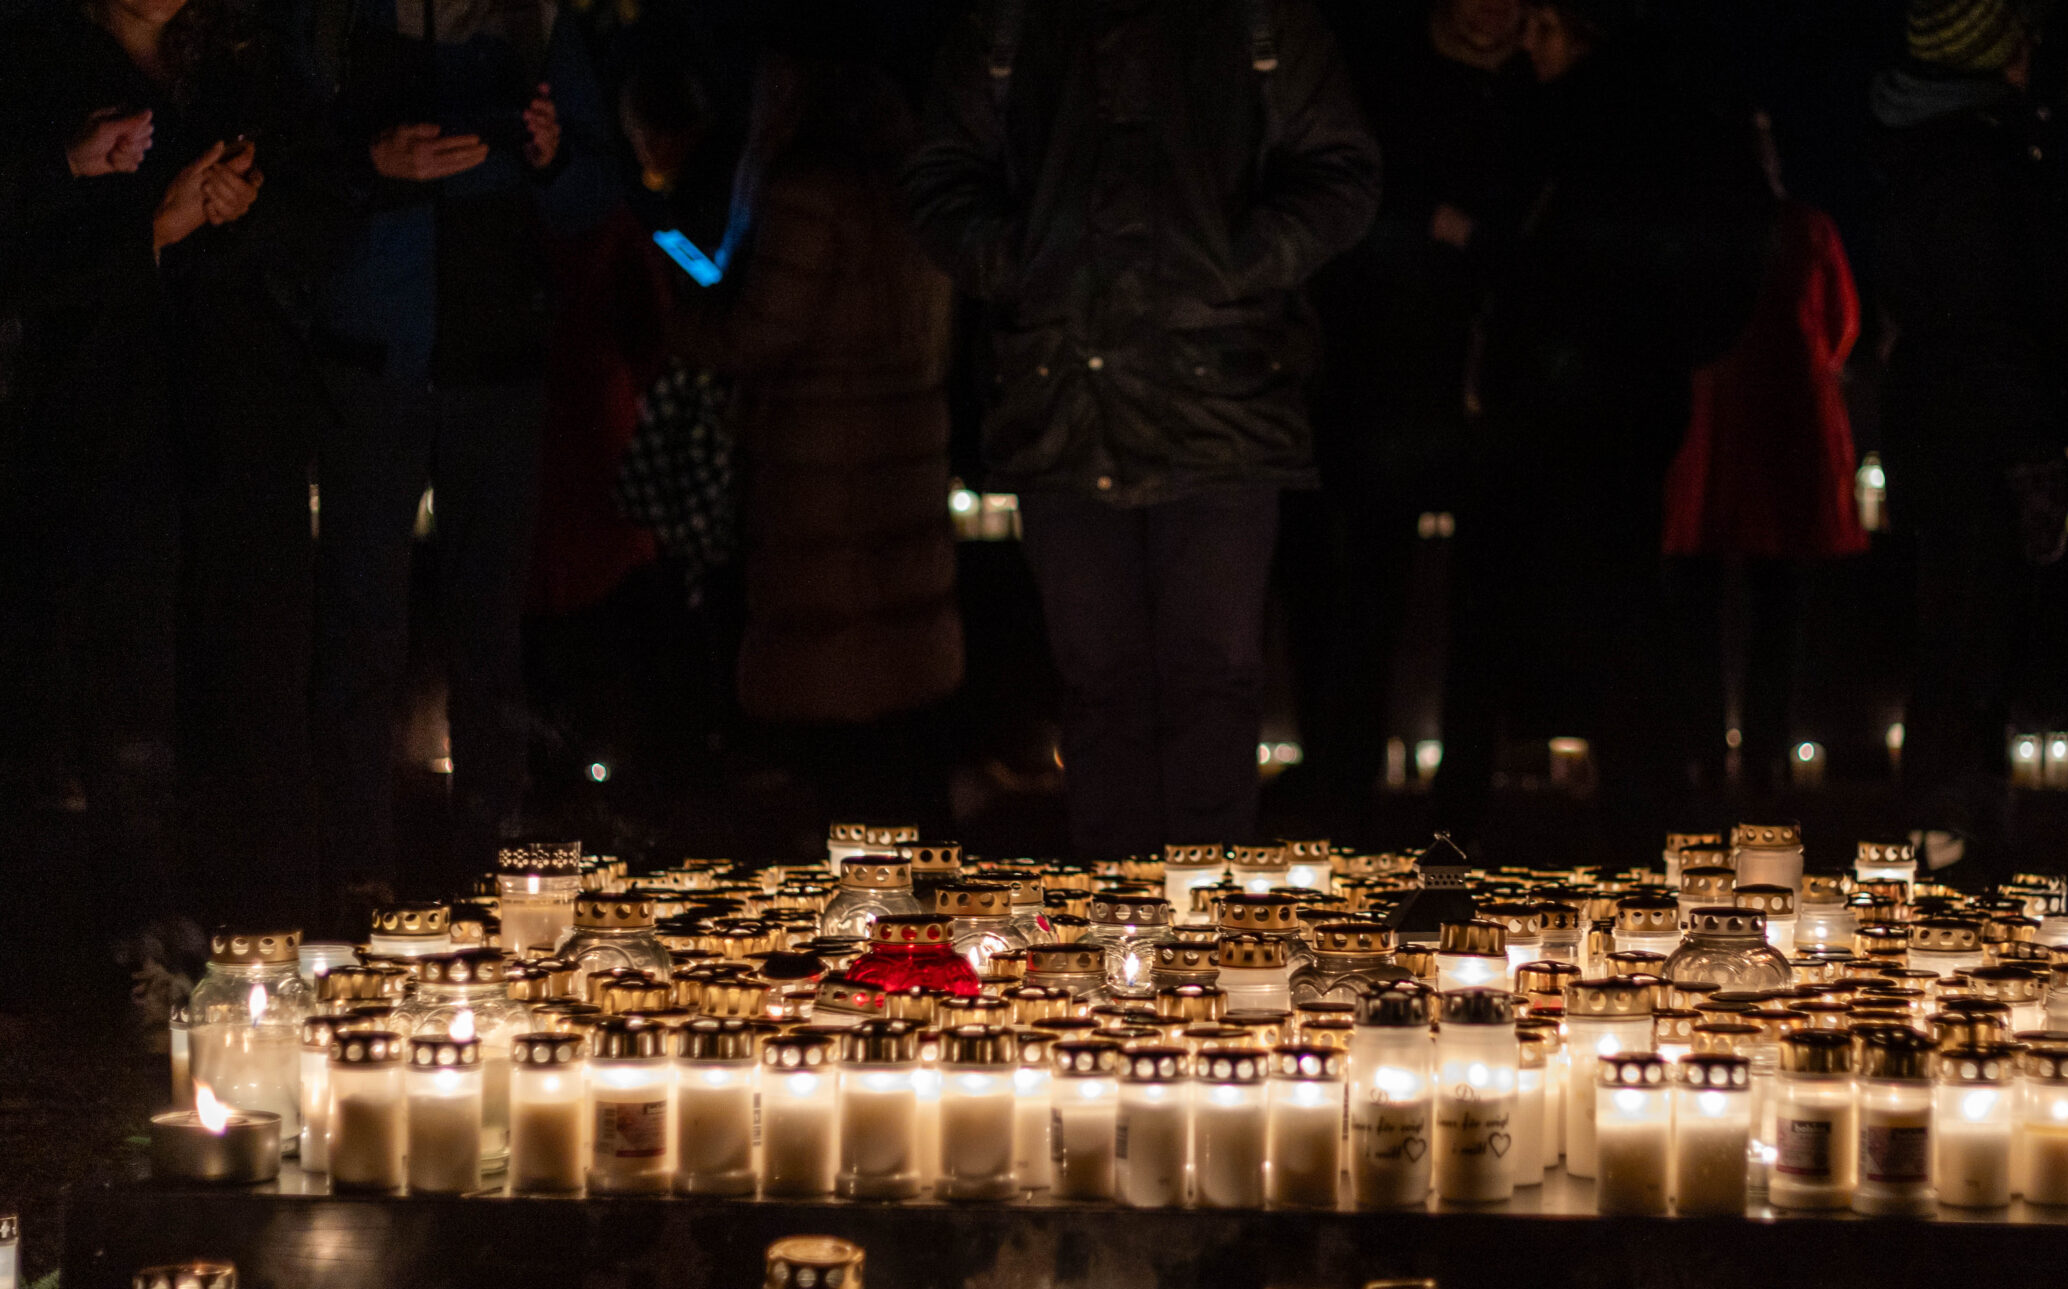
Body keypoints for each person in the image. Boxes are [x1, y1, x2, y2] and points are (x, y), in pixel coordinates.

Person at [904, 0, 1381, 859]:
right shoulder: (1008, 23)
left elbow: (1343, 174)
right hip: (1084, 401)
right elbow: (941, 181)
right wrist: (1033, 264)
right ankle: (1128, 935)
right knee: (1106, 691)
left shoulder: (1255, 21)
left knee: (1201, 686)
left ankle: (1192, 936)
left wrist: (1228, 261)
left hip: (1211, 404)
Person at [9, 0, 342, 1006]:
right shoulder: (36, 57)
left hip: (238, 422)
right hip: (95, 427)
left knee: (251, 666)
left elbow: (325, 207)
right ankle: (128, 932)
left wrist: (241, 205)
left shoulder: (247, 59)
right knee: (120, 676)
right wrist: (151, 225)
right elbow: (31, 252)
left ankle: (255, 927)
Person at [1433, 0, 1772, 852]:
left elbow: (1563, 261)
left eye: (1540, 31)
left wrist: (1476, 241)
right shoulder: (1670, 114)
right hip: (1635, 393)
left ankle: (1483, 808)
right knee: (1626, 596)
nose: (1528, 47)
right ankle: (1652, 797)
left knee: (1527, 598)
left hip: (1567, 398)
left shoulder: (1577, 120)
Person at [305, 0, 615, 917]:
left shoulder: (534, 24)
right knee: (362, 624)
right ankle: (359, 863)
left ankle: (495, 856)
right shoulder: (333, 28)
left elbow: (597, 189)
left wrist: (553, 157)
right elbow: (289, 175)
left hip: (493, 366)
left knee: (488, 631)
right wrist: (373, 167)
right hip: (375, 360)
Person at [673, 50, 961, 831]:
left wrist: (670, 296)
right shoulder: (908, 186)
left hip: (824, 493)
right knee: (901, 763)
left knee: (835, 764)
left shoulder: (806, 192)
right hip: (898, 474)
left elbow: (754, 333)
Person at [1283, 0, 1529, 839]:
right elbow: (1363, 212)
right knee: (1366, 593)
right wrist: (1443, 229)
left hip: (1494, 381)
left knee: (1486, 601)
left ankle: (1463, 805)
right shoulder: (1391, 81)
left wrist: (1474, 237)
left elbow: (1529, 236)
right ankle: (1343, 791)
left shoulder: (1533, 89)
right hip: (1389, 372)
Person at [1871, 0, 2068, 876]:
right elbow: (2011, 299)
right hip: (1986, 424)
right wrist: (2053, 406)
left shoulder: (1915, 152)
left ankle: (1950, 820)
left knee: (1951, 623)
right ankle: (1953, 826)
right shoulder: (1985, 156)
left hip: (1936, 420)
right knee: (1976, 625)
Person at [1660, 114, 1865, 802]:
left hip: (1709, 431)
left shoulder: (1691, 230)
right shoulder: (1806, 228)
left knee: (1696, 597)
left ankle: (1702, 752)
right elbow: (1842, 327)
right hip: (1783, 432)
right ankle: (1764, 753)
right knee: (1778, 602)